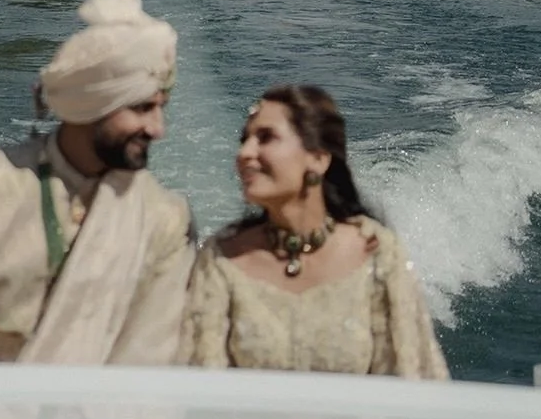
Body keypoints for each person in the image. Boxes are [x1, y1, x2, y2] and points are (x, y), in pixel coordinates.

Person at [0, 0, 195, 364]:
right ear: (92, 104)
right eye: (143, 108)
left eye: (161, 108)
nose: (157, 128)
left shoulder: (164, 220)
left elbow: (146, 373)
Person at [182, 84, 448, 377]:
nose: (245, 152)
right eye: (244, 139)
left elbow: (412, 383)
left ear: (318, 159)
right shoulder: (221, 259)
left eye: (265, 138)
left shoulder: (378, 255)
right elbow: (200, 388)